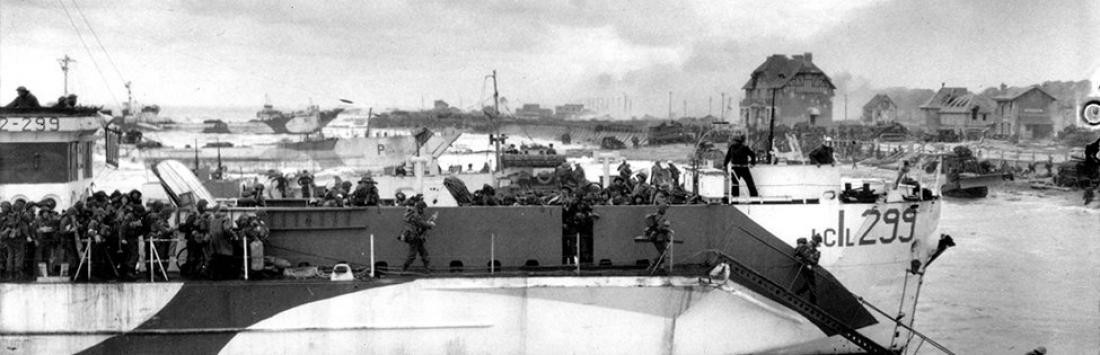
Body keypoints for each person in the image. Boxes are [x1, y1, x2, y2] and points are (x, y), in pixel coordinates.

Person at [400, 201, 436, 272]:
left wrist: (429, 223)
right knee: (412, 255)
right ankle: (404, 268)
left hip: (417, 237)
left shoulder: (415, 214)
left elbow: (421, 224)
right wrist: (430, 224)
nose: (424, 210)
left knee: (424, 253)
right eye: (423, 208)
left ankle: (428, 268)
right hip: (413, 237)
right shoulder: (415, 215)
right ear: (420, 208)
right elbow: (422, 224)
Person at [643, 203, 672, 270]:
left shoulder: (662, 216)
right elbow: (658, 226)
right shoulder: (658, 217)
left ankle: (660, 266)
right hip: (657, 236)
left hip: (662, 236)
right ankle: (653, 264)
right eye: (664, 208)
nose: (665, 210)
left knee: (663, 252)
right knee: (663, 252)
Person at [793, 236, 822, 304]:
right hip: (803, 264)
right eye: (816, 242)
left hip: (808, 266)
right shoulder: (805, 246)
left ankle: (799, 292)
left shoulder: (816, 251)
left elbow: (815, 261)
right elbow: (802, 255)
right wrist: (808, 261)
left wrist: (810, 261)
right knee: (811, 282)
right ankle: (813, 301)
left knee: (810, 282)